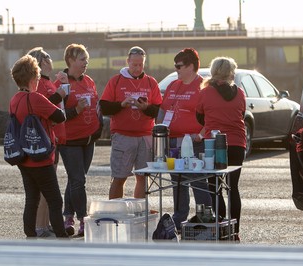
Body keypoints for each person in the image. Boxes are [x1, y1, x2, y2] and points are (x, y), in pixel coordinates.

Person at [9, 54, 68, 238]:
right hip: (41, 158)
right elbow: (60, 116)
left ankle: (30, 233)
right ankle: (61, 234)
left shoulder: (15, 99)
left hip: (23, 157)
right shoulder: (35, 98)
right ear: (34, 77)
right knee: (55, 200)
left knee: (31, 198)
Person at [156, 48, 212, 231]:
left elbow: (211, 115)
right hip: (173, 141)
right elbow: (164, 110)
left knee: (197, 180)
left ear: (190, 66)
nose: (176, 69)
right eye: (175, 66)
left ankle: (204, 216)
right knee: (177, 181)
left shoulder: (203, 86)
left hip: (194, 142)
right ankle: (179, 217)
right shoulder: (173, 85)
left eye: (179, 66)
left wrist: (202, 134)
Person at [100, 46, 162, 199]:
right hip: (123, 135)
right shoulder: (116, 80)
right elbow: (104, 107)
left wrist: (146, 107)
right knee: (120, 176)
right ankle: (116, 212)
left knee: (142, 177)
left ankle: (140, 211)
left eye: (140, 64)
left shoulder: (151, 82)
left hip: (145, 135)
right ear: (128, 62)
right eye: (134, 64)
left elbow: (158, 110)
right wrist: (121, 104)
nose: (137, 68)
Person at [196, 56, 246, 241]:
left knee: (215, 187)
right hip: (237, 143)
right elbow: (241, 113)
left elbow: (199, 117)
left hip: (213, 144)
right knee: (233, 187)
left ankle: (221, 228)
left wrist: (212, 122)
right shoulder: (240, 93)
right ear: (231, 73)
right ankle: (235, 231)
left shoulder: (205, 93)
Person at [57, 43, 103, 237]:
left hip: (88, 138)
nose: (86, 63)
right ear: (71, 60)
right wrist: (76, 110)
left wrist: (99, 124)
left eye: (87, 59)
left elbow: (96, 103)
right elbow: (56, 113)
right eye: (82, 59)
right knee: (78, 181)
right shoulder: (62, 83)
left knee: (76, 180)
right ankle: (83, 219)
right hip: (70, 140)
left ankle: (67, 215)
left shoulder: (89, 81)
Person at [26, 47, 68, 237]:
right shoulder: (40, 84)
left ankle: (44, 224)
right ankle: (40, 226)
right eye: (48, 57)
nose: (51, 60)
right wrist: (60, 93)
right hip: (47, 139)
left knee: (45, 190)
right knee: (45, 190)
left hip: (54, 138)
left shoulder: (46, 82)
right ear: (41, 62)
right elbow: (46, 105)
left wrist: (59, 85)